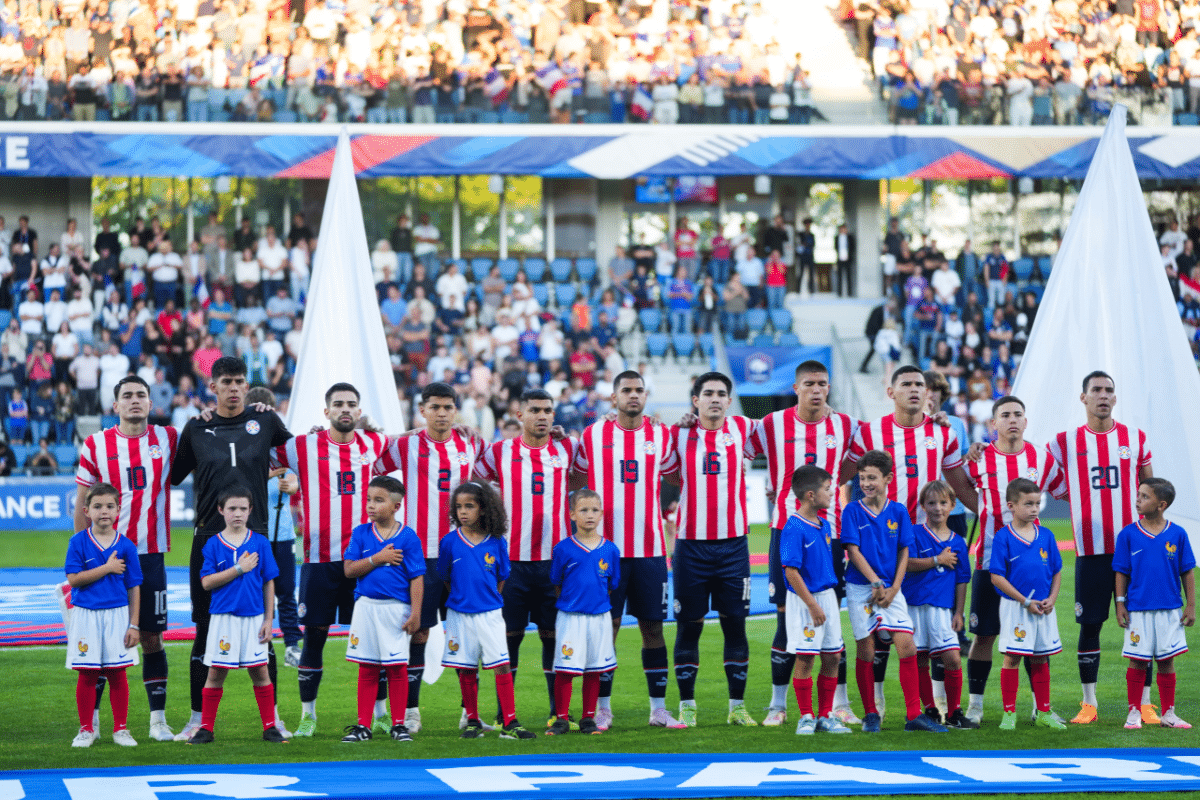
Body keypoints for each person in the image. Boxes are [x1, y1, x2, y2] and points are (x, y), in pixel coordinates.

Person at [170, 356, 292, 742]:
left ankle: (273, 718)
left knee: (262, 629)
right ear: (213, 387)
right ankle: (196, 719)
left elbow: (295, 458)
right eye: (227, 382)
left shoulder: (266, 421)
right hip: (208, 536)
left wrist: (280, 479)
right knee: (204, 629)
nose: (235, 387)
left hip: (255, 537)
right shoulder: (196, 427)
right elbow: (173, 476)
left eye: (240, 381)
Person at [272, 382, 390, 738]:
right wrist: (261, 414)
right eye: (337, 404)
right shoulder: (302, 447)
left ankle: (381, 713)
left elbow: (409, 444)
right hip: (320, 561)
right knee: (315, 637)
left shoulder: (374, 444)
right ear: (326, 412)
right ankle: (308, 716)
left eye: (351, 404)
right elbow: (260, 453)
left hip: (366, 561)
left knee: (374, 639)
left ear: (358, 411)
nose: (344, 409)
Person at [570, 371, 684, 729]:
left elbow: (677, 476)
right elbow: (575, 478)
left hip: (649, 550)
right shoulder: (594, 434)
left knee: (653, 628)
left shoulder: (661, 434)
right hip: (605, 552)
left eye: (639, 390)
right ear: (614, 397)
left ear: (645, 396)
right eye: (626, 390)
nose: (633, 396)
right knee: (608, 628)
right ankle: (602, 708)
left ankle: (658, 709)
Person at [751, 361, 859, 727]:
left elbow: (854, 465)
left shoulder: (845, 425)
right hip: (787, 529)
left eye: (822, 383)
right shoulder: (771, 424)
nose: (816, 389)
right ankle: (777, 705)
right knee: (785, 620)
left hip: (830, 534)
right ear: (796, 388)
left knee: (831, 621)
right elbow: (734, 445)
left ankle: (838, 705)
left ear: (829, 387)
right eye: (809, 383)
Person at [374, 383, 487, 732]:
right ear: (422, 410)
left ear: (456, 411)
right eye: (435, 407)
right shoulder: (405, 445)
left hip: (461, 554)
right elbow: (371, 459)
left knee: (468, 632)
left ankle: (470, 713)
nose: (442, 413)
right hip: (419, 555)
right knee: (417, 631)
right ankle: (410, 711)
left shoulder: (472, 443)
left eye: (448, 407)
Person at [1042, 371, 1153, 725]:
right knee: (1090, 625)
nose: (1103, 396)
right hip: (1090, 550)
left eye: (1109, 391)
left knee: (1142, 624)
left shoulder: (1135, 438)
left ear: (1115, 399)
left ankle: (1144, 704)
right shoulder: (1064, 441)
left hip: (1133, 550)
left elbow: (1151, 489)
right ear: (1083, 398)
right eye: (1096, 390)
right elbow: (1045, 476)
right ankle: (1088, 703)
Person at [74, 376, 179, 742]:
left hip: (150, 554)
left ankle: (157, 721)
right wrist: (81, 552)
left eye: (141, 395)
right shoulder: (96, 444)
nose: (135, 401)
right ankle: (94, 723)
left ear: (151, 403)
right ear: (114, 405)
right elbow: (83, 499)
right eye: (127, 396)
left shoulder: (169, 438)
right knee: (101, 641)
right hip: (106, 555)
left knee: (151, 638)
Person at [669, 372, 760, 727]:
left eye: (722, 393)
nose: (715, 399)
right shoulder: (677, 435)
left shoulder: (744, 428)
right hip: (691, 547)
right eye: (708, 393)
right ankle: (687, 707)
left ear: (729, 399)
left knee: (735, 625)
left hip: (734, 547)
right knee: (688, 627)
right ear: (695, 400)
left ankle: (737, 707)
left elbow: (792, 423)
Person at [839, 449, 948, 733]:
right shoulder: (852, 510)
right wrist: (876, 582)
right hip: (861, 587)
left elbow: (904, 550)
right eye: (862, 478)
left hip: (892, 588)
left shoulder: (898, 511)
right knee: (866, 648)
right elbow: (853, 550)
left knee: (907, 645)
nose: (866, 483)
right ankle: (871, 713)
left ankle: (914, 714)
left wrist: (895, 587)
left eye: (872, 477)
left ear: (888, 478)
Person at [962, 396, 1050, 724]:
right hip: (989, 563)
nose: (1012, 420)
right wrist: (981, 509)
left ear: (1025, 421)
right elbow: (957, 482)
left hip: (1029, 567)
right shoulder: (979, 458)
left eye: (1017, 414)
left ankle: (1039, 707)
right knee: (984, 635)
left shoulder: (1041, 457)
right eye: (1005, 415)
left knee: (1034, 637)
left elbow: (1060, 487)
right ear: (993, 423)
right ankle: (975, 705)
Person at [440, 481, 536, 740]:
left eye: (469, 506)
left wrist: (486, 598)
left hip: (490, 614)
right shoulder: (449, 542)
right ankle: (472, 720)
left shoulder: (496, 542)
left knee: (501, 665)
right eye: (458, 507)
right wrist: (462, 598)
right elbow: (446, 578)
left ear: (483, 509)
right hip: (460, 615)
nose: (463, 511)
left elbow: (501, 577)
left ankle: (509, 721)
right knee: (466, 668)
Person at [189, 487, 286, 744]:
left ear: (251, 510)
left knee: (260, 672)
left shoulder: (260, 542)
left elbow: (268, 582)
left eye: (243, 508)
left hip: (254, 619)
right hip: (223, 619)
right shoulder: (212, 544)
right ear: (221, 510)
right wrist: (238, 568)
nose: (238, 514)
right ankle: (206, 729)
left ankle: (270, 728)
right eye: (232, 508)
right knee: (215, 673)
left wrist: (268, 620)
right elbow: (207, 582)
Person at [339, 476, 425, 743]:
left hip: (395, 610)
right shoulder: (361, 533)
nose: (371, 505)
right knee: (367, 667)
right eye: (368, 499)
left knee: (397, 666)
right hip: (366, 608)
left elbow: (417, 578)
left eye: (378, 500)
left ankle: (399, 725)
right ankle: (363, 725)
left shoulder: (409, 537)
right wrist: (378, 558)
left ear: (396, 506)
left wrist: (416, 613)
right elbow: (350, 569)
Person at [1114, 478, 1195, 730]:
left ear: (1161, 505)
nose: (1138, 499)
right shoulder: (1128, 534)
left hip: (1170, 608)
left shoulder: (1177, 533)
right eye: (1138, 495)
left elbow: (1187, 571)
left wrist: (1191, 605)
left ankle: (1169, 713)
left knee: (1167, 661)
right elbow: (1121, 572)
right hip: (1137, 608)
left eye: (1144, 496)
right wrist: (1120, 603)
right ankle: (1134, 712)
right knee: (1137, 660)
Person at [65, 483, 142, 748]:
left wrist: (134, 624)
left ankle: (121, 729)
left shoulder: (127, 546)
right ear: (87, 511)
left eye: (110, 506)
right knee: (86, 674)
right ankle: (87, 729)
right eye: (97, 506)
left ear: (118, 510)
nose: (104, 511)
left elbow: (134, 587)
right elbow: (74, 579)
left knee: (117, 673)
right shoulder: (77, 542)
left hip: (118, 616)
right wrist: (107, 567)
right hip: (86, 615)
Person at [989, 478, 1066, 731]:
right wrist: (1024, 601)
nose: (1034, 509)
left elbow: (1056, 571)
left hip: (1043, 608)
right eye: (1028, 504)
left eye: (1037, 504)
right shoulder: (1003, 537)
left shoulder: (1046, 535)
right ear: (1011, 505)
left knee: (1041, 658)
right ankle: (1009, 713)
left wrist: (1052, 599)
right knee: (1012, 658)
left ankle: (1043, 711)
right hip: (1016, 608)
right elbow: (996, 576)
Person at [780, 465, 852, 735]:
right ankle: (806, 716)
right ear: (811, 495)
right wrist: (812, 605)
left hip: (827, 597)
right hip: (805, 601)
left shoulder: (824, 524)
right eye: (826, 488)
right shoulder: (793, 527)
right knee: (806, 657)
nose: (832, 493)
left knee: (833, 655)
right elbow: (791, 570)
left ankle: (825, 715)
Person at [546, 489, 621, 736]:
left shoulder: (610, 549)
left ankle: (588, 718)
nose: (590, 515)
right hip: (571, 617)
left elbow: (611, 584)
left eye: (595, 510)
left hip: (599, 617)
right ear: (572, 515)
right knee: (566, 669)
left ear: (601, 515)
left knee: (594, 669)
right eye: (584, 510)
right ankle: (561, 718)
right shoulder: (563, 548)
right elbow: (557, 582)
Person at [903, 480, 974, 729]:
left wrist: (959, 613)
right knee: (920, 658)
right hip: (913, 605)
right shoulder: (912, 533)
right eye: (931, 503)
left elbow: (962, 579)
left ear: (953, 506)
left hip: (942, 608)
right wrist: (937, 560)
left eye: (943, 503)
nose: (937, 508)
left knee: (952, 659)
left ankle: (954, 711)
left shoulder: (958, 543)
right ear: (923, 506)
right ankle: (930, 709)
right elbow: (906, 564)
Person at [244, 386, 301, 668]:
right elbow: (240, 482)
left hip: (281, 534)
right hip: (253, 534)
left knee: (286, 590)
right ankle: (255, 643)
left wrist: (290, 483)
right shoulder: (242, 448)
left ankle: (292, 644)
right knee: (252, 589)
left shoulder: (282, 450)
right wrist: (270, 474)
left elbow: (294, 482)